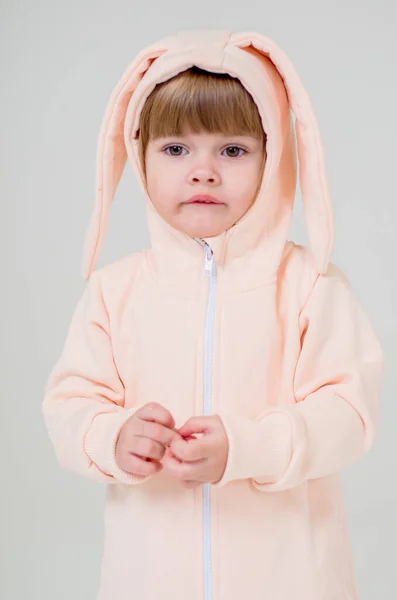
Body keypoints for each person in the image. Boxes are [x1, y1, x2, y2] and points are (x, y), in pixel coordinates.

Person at [42, 29, 385, 600]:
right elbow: (70, 405)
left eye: (232, 150)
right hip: (148, 582)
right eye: (176, 149)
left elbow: (349, 413)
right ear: (139, 155)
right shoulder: (115, 291)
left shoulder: (310, 286)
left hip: (292, 580)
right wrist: (111, 436)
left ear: (272, 158)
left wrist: (248, 448)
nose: (203, 171)